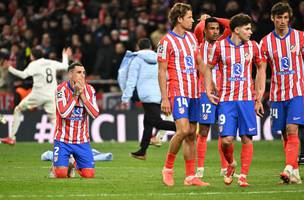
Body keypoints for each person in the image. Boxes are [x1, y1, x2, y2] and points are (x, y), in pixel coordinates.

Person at [205, 13, 266, 187]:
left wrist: (259, 94)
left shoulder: (253, 46)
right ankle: (231, 163)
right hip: (226, 100)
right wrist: (209, 90)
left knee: (247, 138)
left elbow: (261, 68)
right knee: (226, 140)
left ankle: (243, 176)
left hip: (246, 99)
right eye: (247, 29)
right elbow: (208, 68)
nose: (250, 32)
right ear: (237, 30)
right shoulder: (219, 47)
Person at [157, 3, 209, 187]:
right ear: (179, 19)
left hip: (194, 91)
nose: (192, 20)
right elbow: (161, 71)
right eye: (189, 17)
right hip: (177, 91)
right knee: (183, 130)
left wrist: (210, 84)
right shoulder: (166, 42)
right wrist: (164, 97)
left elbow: (199, 63)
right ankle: (168, 168)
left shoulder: (192, 38)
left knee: (191, 135)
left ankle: (190, 176)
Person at [259, 2, 304, 184]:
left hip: (297, 91)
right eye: (279, 18)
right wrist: (259, 94)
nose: (283, 22)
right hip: (277, 94)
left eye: (286, 18)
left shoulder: (301, 37)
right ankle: (295, 174)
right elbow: (261, 71)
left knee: (292, 129)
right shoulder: (265, 42)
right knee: (284, 134)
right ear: (272, 18)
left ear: (289, 18)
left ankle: (287, 168)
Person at [0, 48, 72, 145]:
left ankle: (12, 138)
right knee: (55, 122)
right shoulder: (50, 62)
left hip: (38, 95)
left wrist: (9, 68)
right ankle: (68, 147)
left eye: (31, 55)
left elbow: (23, 75)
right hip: (51, 95)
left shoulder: (33, 65)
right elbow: (65, 66)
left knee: (18, 109)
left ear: (33, 56)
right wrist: (65, 56)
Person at [121, 38, 176, 160]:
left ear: (138, 47)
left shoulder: (137, 59)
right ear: (151, 47)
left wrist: (126, 97)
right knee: (148, 123)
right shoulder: (159, 58)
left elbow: (131, 80)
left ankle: (182, 128)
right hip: (159, 93)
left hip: (146, 95)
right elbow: (166, 75)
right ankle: (142, 151)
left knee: (156, 122)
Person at [193, 14, 231, 178]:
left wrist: (214, 18)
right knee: (203, 130)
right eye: (212, 29)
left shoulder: (223, 44)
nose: (215, 32)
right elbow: (197, 29)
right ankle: (200, 169)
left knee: (224, 132)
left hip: (222, 92)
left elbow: (231, 25)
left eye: (217, 29)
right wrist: (203, 21)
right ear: (206, 31)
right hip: (203, 91)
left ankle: (224, 168)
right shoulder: (199, 44)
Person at [52, 62, 99, 178]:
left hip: (81, 140)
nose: (82, 75)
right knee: (61, 175)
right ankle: (57, 164)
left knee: (89, 175)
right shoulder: (60, 89)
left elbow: (95, 114)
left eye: (83, 73)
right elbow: (64, 113)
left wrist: (82, 95)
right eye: (79, 72)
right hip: (63, 140)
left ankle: (74, 163)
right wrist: (75, 94)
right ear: (70, 74)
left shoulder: (90, 90)